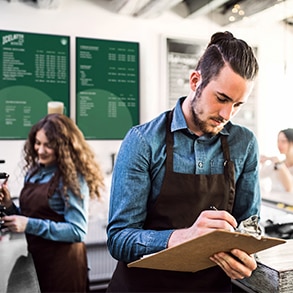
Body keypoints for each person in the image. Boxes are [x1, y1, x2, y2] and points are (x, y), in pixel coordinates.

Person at [106, 31, 261, 292]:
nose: (227, 114)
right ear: (195, 80)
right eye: (221, 98)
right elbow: (119, 239)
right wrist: (183, 237)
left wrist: (247, 255)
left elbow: (249, 226)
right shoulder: (143, 142)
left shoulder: (244, 143)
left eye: (237, 105)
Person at [0, 113, 104, 293]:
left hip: (64, 265)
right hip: (37, 260)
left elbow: (77, 231)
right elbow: (28, 218)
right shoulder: (33, 173)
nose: (40, 150)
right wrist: (8, 204)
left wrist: (28, 225)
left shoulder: (72, 179)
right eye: (38, 143)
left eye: (48, 145)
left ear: (63, 147)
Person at [260, 128, 293, 193]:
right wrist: (262, 162)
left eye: (283, 141)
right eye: (278, 141)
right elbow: (259, 176)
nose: (279, 145)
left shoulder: (278, 164)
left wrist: (279, 163)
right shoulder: (276, 164)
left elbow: (289, 188)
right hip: (274, 201)